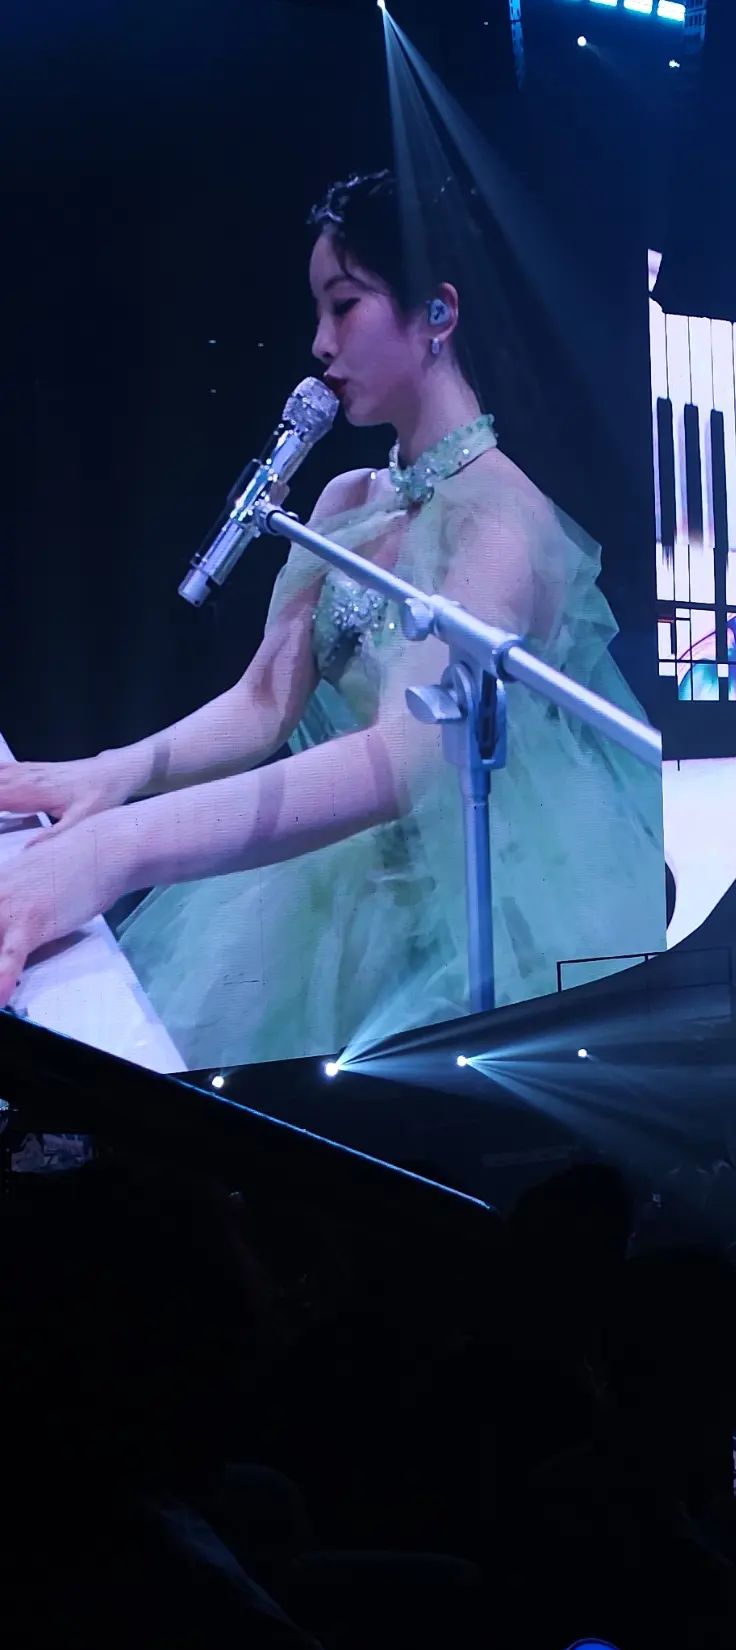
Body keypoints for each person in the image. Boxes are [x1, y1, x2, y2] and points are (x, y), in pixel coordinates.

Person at [0, 171, 664, 1065]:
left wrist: (115, 850)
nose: (319, 342)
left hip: (469, 911)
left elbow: (402, 761)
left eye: (344, 305)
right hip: (338, 883)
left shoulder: (500, 520)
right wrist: (110, 773)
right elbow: (263, 702)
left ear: (437, 313)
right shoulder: (348, 497)